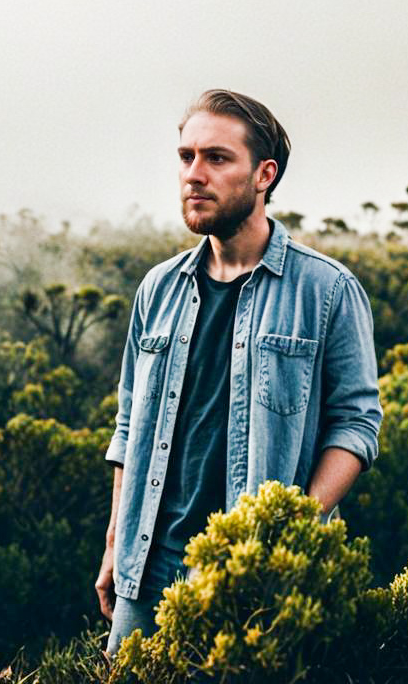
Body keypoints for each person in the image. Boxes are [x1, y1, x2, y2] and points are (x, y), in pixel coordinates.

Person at [94, 90, 382, 655]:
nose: (194, 175)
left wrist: (288, 529)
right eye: (186, 157)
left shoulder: (327, 291)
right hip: (147, 570)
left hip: (262, 577)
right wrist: (114, 542)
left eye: (216, 158)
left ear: (263, 175)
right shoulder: (158, 289)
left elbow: (356, 427)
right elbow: (130, 427)